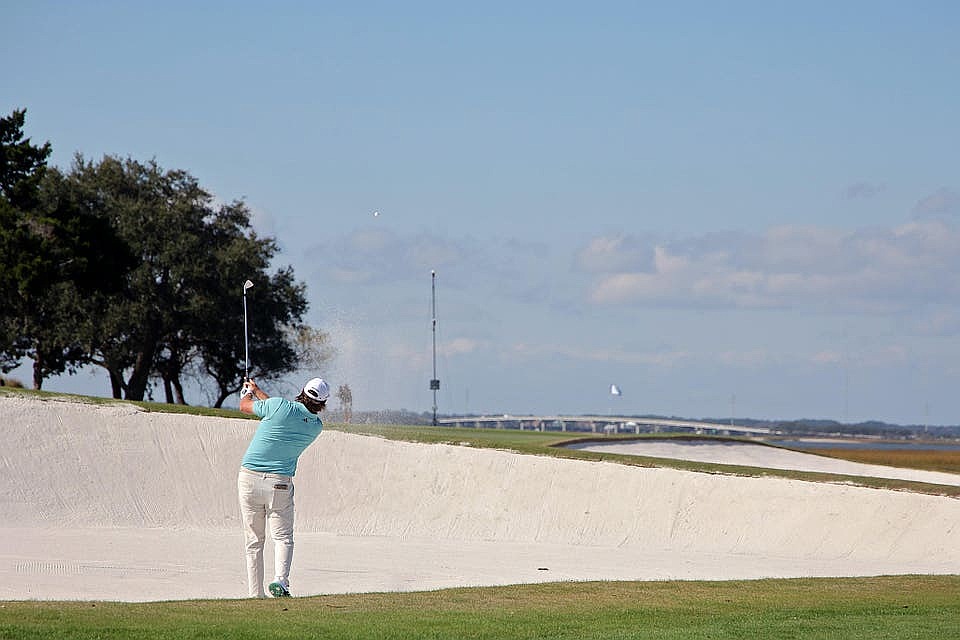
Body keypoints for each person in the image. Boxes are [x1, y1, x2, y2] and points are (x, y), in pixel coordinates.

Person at [237, 376, 329, 598]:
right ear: (323, 403)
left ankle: (255, 594)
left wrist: (247, 393)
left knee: (254, 540)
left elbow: (245, 407)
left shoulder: (278, 405)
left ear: (302, 391)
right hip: (279, 483)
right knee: (283, 537)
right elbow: (282, 413)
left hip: (249, 479)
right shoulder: (316, 427)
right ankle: (281, 582)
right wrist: (258, 390)